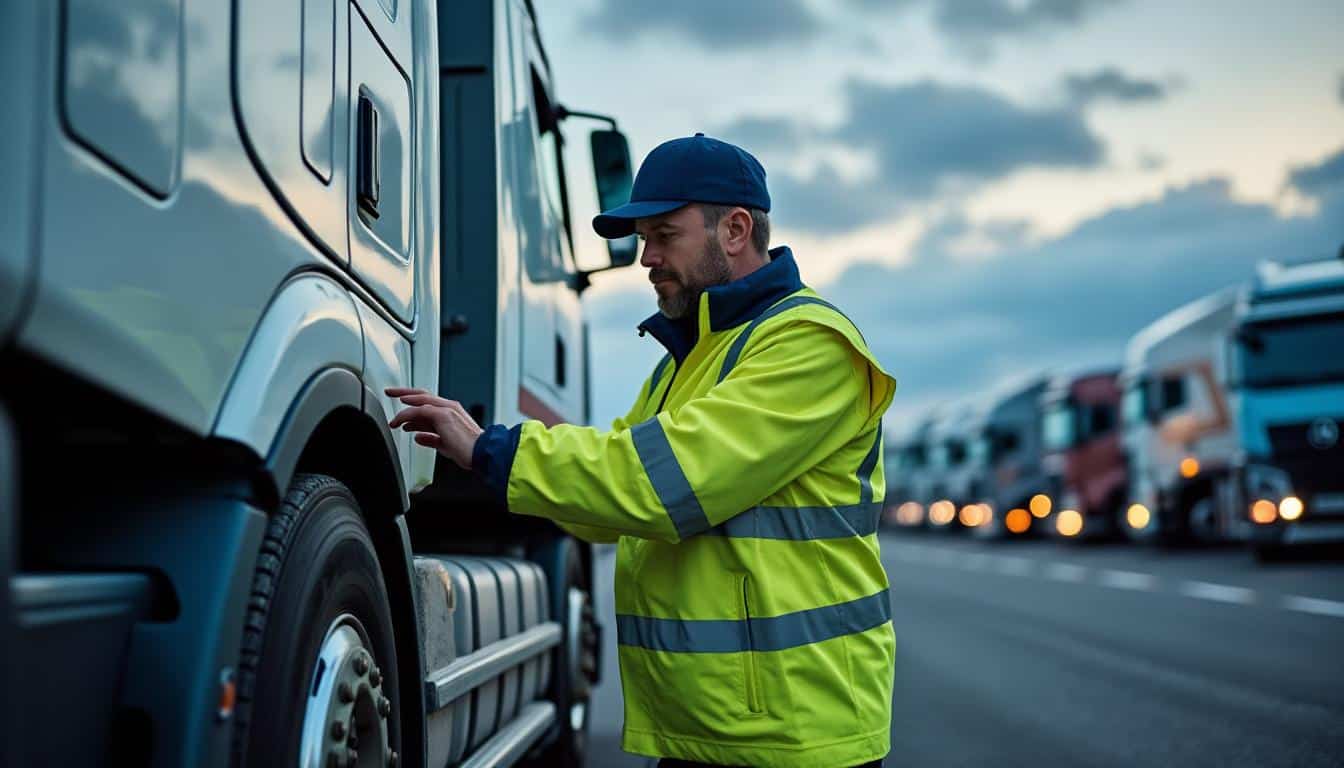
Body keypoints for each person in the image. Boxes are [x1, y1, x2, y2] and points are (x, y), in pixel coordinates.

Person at [387, 134, 895, 768]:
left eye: (663, 234)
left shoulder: (809, 347)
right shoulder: (685, 362)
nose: (645, 257)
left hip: (794, 737)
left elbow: (654, 486)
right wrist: (492, 465)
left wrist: (493, 451)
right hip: (713, 730)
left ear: (734, 230)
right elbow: (605, 511)